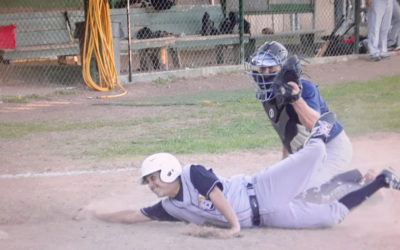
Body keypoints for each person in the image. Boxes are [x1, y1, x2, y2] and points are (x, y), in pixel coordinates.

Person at [91, 112, 400, 238]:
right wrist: (98, 214)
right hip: (267, 216)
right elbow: (135, 215)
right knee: (331, 217)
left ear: (169, 170)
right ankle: (381, 180)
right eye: (148, 182)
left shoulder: (191, 173)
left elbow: (216, 196)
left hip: (261, 189)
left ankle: (320, 127)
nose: (152, 185)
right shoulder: (171, 207)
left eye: (153, 178)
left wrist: (234, 227)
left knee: (314, 155)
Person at [244, 41, 354, 194]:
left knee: (311, 193)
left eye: (271, 67)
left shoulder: (304, 88)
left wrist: (295, 99)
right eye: (263, 68)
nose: (266, 72)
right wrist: (285, 166)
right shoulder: (268, 97)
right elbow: (288, 133)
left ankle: (362, 185)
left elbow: (316, 125)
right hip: (310, 154)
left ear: (282, 68)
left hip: (332, 147)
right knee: (281, 189)